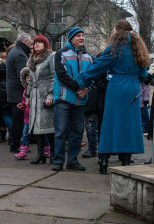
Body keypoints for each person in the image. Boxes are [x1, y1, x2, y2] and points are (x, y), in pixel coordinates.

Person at [78, 20, 149, 172]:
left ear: (118, 31)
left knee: (110, 123)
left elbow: (99, 66)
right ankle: (126, 162)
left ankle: (104, 162)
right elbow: (143, 73)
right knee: (129, 125)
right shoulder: (139, 48)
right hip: (133, 87)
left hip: (117, 86)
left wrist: (82, 77)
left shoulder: (116, 47)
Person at [52, 26, 93, 172]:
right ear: (71, 38)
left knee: (77, 132)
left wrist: (87, 89)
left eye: (83, 35)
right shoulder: (61, 54)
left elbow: (92, 77)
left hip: (80, 101)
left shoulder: (88, 57)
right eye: (78, 35)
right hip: (64, 99)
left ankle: (73, 160)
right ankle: (58, 161)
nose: (81, 37)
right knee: (61, 131)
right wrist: (78, 89)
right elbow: (62, 75)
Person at [21, 34, 55, 164]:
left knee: (49, 127)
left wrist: (50, 95)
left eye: (40, 42)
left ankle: (53, 154)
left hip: (45, 97)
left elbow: (54, 77)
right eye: (35, 43)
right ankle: (40, 154)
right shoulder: (32, 59)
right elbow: (30, 80)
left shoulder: (51, 57)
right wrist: (28, 96)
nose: (36, 45)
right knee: (36, 127)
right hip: (34, 98)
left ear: (45, 44)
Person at [6, 32, 33, 153]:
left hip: (13, 92)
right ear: (25, 42)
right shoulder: (21, 55)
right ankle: (16, 145)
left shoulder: (14, 51)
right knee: (19, 122)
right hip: (19, 93)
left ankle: (14, 143)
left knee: (16, 121)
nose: (32, 44)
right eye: (30, 42)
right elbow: (23, 76)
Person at [0, 52, 11, 142]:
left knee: (5, 113)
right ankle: (14, 133)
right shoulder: (12, 64)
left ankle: (12, 131)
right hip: (13, 89)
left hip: (2, 91)